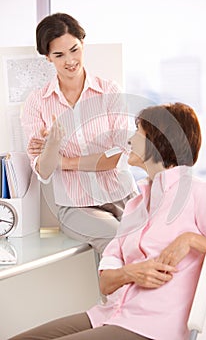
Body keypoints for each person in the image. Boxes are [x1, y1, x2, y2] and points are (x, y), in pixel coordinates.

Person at [11, 102, 206, 340]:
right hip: (109, 315)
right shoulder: (135, 207)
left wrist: (192, 240)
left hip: (153, 328)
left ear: (159, 141)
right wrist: (132, 273)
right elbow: (106, 283)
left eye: (138, 132)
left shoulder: (197, 194)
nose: (130, 140)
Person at [22, 13, 137, 254]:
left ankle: (133, 294)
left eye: (74, 49)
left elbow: (117, 157)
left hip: (123, 194)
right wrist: (52, 144)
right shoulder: (37, 103)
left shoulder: (109, 91)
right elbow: (43, 171)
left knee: (144, 244)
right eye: (59, 55)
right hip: (76, 207)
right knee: (115, 241)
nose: (70, 60)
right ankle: (116, 293)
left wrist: (61, 161)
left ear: (83, 43)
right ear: (47, 58)